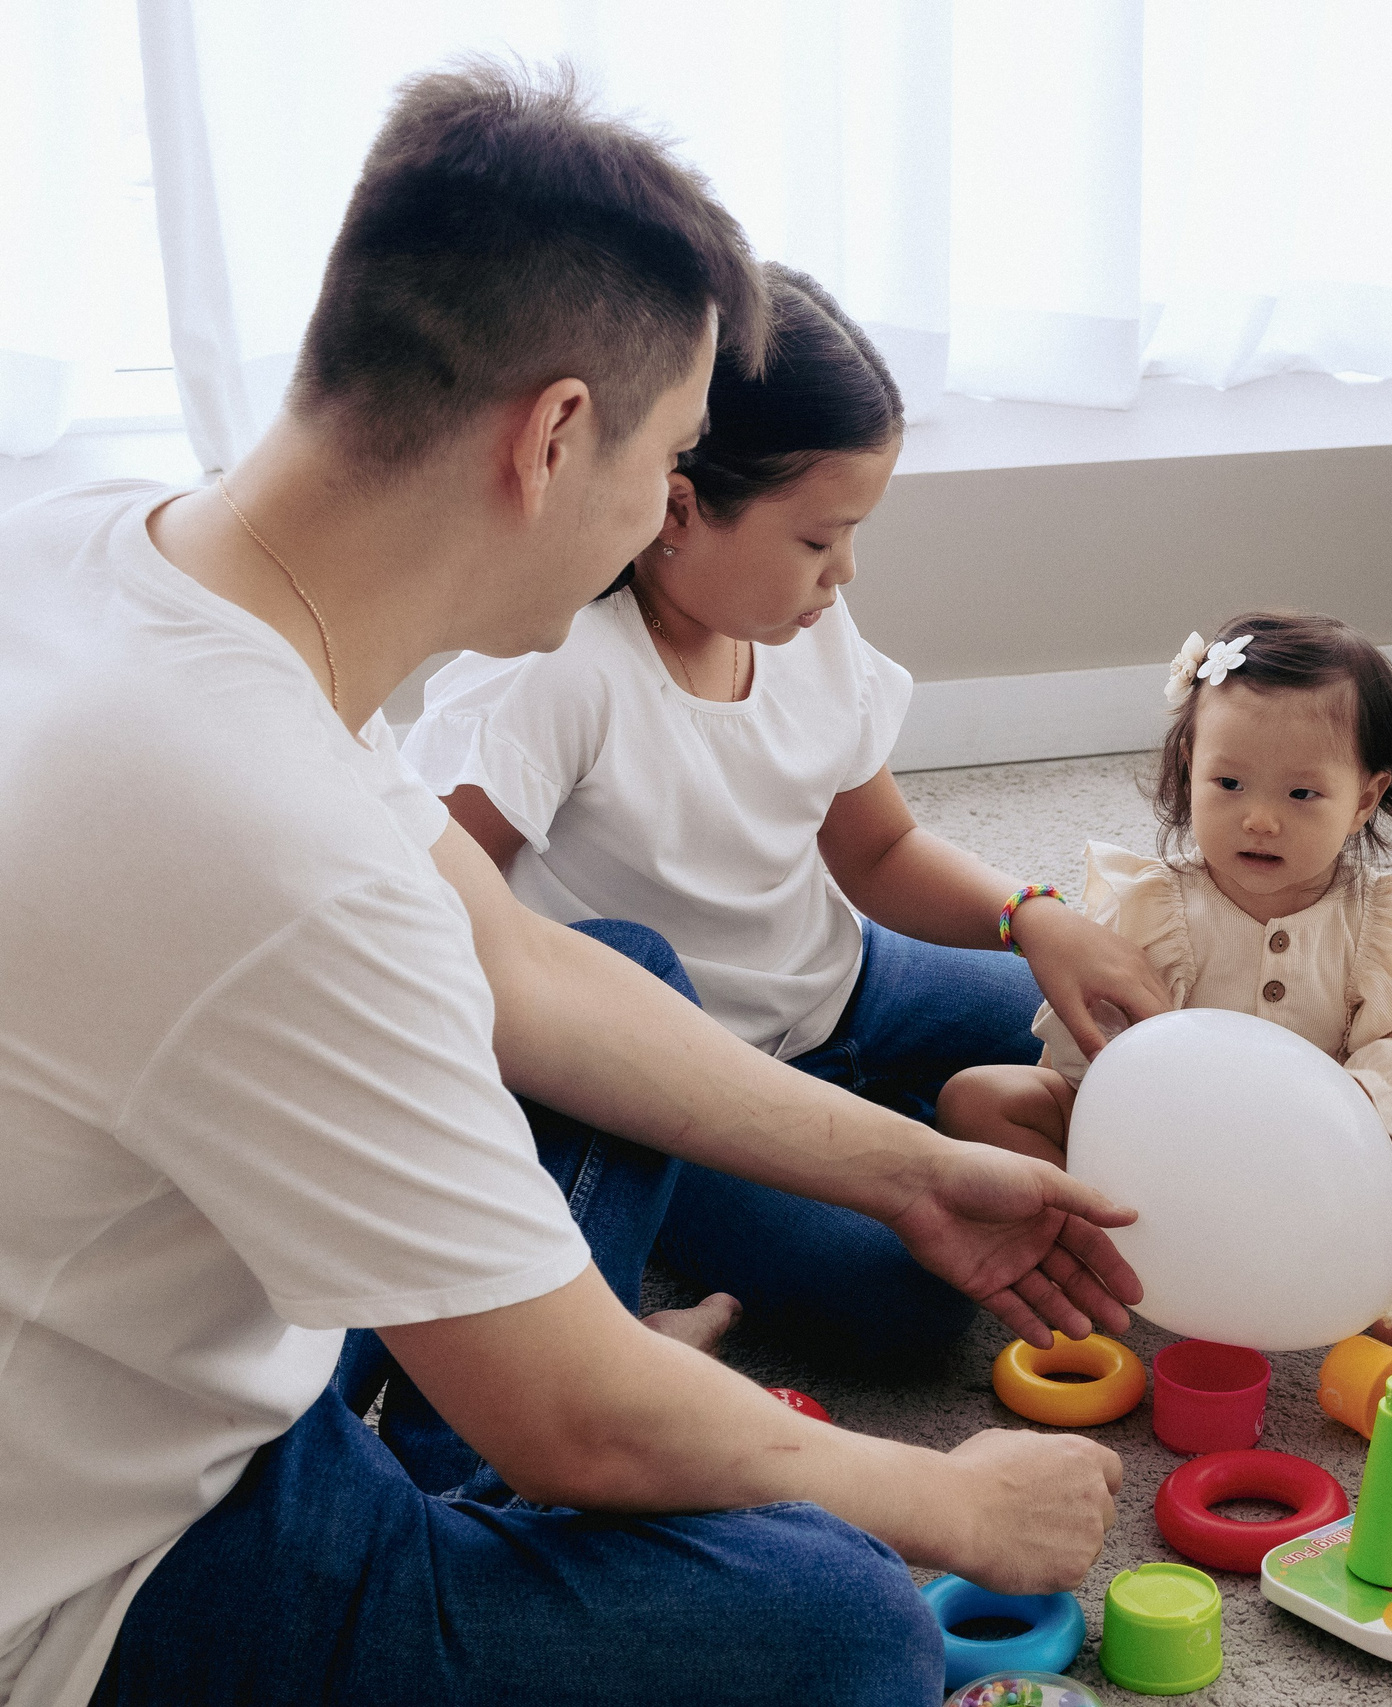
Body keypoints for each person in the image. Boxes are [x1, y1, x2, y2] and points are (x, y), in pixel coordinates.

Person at [0, 63, 1132, 1707]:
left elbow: (521, 971)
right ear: (553, 436)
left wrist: (905, 1169)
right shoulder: (278, 851)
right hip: (103, 1579)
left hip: (131, 1329)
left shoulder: (116, 555)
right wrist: (944, 1496)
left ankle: (504, 1401)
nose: (648, 514)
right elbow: (574, 1417)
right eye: (663, 453)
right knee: (844, 1620)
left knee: (617, 978)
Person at [404, 260, 1168, 1355]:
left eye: (854, 536)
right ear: (676, 508)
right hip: (697, 1080)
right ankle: (712, 1208)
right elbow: (436, 927)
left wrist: (1034, 916)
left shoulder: (803, 632)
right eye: (817, 539)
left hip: (848, 982)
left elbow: (883, 849)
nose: (843, 574)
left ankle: (909, 1122)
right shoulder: (556, 673)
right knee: (910, 1304)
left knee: (1113, 1037)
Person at [939, 612, 1392, 1364]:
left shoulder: (1378, 925)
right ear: (1188, 768)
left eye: (1303, 793)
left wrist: (1361, 1108)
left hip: (1314, 1166)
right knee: (979, 1098)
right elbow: (1102, 1034)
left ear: (1367, 798)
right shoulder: (1152, 906)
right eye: (1229, 781)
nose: (1259, 817)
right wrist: (1112, 1094)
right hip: (1160, 1153)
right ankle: (1079, 1240)